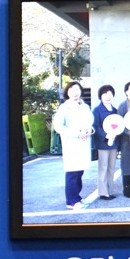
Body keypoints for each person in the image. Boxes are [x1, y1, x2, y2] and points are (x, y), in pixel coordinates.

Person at [55, 81, 93, 209]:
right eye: (71, 90)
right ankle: (71, 201)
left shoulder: (85, 106)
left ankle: (76, 197)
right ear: (67, 93)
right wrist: (77, 133)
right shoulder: (64, 107)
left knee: (79, 172)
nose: (75, 92)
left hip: (83, 143)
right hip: (71, 143)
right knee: (72, 172)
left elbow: (90, 122)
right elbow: (58, 126)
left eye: (77, 89)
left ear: (81, 91)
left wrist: (90, 130)